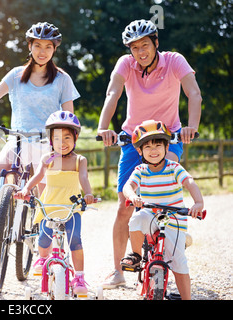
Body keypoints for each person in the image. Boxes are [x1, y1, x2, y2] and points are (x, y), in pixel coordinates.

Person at [96, 19, 203, 288]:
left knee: (169, 184)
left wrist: (192, 127)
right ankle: (120, 271)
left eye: (145, 45)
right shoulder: (125, 64)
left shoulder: (174, 61)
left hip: (168, 136)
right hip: (133, 139)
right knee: (124, 205)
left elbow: (194, 94)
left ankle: (175, 238)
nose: (140, 52)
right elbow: (113, 92)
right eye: (134, 48)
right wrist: (103, 127)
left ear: (156, 43)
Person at [0, 22, 80, 198]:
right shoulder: (16, 75)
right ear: (30, 46)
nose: (42, 52)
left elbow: (69, 117)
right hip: (18, 140)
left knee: (45, 200)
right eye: (37, 46)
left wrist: (66, 143)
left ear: (54, 49)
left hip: (48, 143)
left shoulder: (62, 79)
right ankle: (2, 213)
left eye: (48, 47)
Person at [121, 120, 204, 300]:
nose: (153, 150)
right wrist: (132, 196)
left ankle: (186, 298)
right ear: (139, 151)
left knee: (178, 262)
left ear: (167, 147)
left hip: (174, 219)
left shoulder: (174, 167)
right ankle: (135, 255)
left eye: (158, 144)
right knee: (136, 219)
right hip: (151, 215)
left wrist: (198, 202)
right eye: (148, 146)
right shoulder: (141, 169)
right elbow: (128, 186)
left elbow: (189, 182)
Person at [16, 111, 94, 295]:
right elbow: (38, 177)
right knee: (43, 238)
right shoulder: (47, 159)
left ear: (75, 138)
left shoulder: (79, 160)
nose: (62, 142)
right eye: (57, 138)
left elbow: (84, 178)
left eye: (67, 137)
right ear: (51, 140)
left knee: (75, 239)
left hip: (71, 208)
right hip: (49, 207)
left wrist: (88, 193)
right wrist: (26, 189)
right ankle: (43, 259)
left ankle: (80, 276)